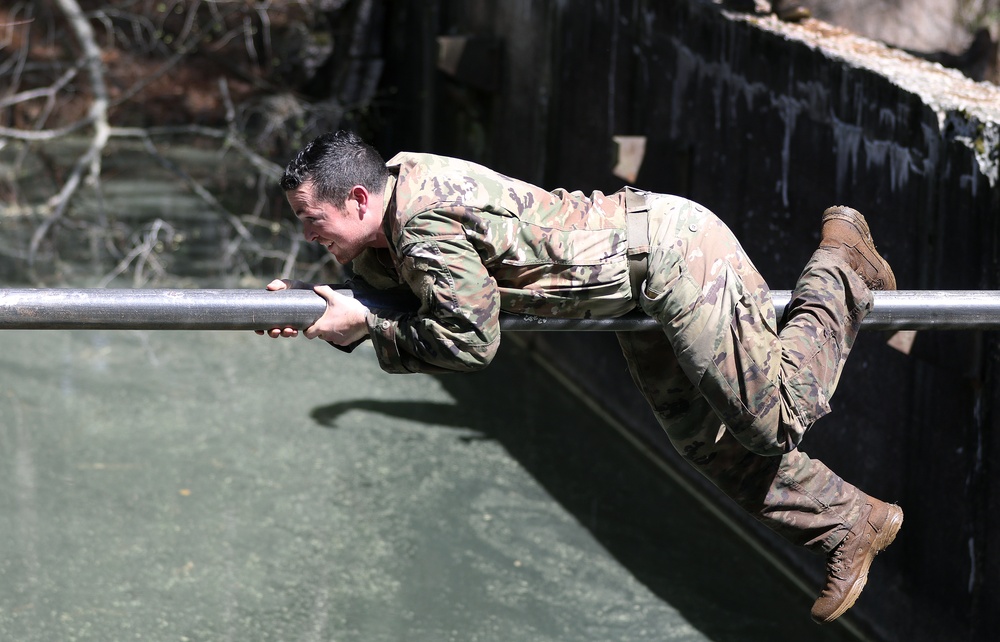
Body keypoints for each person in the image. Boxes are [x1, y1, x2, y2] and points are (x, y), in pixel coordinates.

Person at [260, 130, 903, 624]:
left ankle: (842, 262)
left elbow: (469, 340)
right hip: (630, 292)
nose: (307, 234)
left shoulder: (425, 222)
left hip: (668, 253)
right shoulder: (393, 203)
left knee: (773, 416)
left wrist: (367, 328)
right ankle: (846, 521)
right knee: (702, 440)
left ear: (359, 198)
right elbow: (400, 292)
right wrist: (312, 307)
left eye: (312, 221)